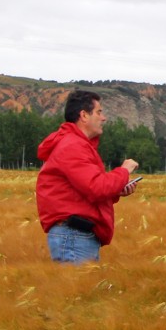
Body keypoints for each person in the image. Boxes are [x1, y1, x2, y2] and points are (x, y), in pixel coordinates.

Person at [35, 90, 139, 264]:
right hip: (75, 236)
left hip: (75, 235)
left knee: (80, 291)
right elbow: (96, 187)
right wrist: (124, 171)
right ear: (83, 115)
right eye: (99, 112)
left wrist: (116, 191)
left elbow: (83, 191)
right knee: (77, 291)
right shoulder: (73, 146)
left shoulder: (74, 144)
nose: (103, 118)